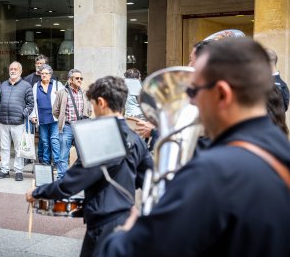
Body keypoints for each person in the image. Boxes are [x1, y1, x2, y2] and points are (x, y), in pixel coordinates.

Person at [99, 38, 290, 257]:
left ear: (221, 93)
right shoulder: (279, 150)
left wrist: (126, 232)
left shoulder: (214, 171)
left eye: (193, 91)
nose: (190, 102)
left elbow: (127, 252)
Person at [26, 76, 153, 257]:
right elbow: (148, 178)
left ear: (101, 102)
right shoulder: (136, 138)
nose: (92, 109)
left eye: (92, 104)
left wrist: (37, 193)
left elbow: (70, 184)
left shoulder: (99, 137)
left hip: (104, 225)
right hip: (128, 219)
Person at [0, 61, 34, 181]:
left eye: (15, 69)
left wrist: (24, 114)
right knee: (5, 148)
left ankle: (18, 171)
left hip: (18, 122)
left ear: (20, 71)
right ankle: (4, 170)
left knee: (18, 148)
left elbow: (31, 103)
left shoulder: (26, 85)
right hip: (4, 121)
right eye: (11, 69)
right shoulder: (3, 85)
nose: (13, 71)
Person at [52, 69, 92, 179]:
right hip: (67, 127)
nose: (80, 80)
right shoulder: (62, 93)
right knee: (63, 155)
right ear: (70, 80)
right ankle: (61, 178)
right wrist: (62, 119)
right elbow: (55, 110)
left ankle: (82, 177)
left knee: (82, 155)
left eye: (81, 78)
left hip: (81, 128)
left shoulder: (84, 93)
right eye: (77, 78)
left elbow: (89, 110)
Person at [30, 64, 64, 169]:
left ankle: (57, 161)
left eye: (46, 73)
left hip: (54, 117)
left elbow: (64, 98)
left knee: (54, 139)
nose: (44, 75)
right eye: (42, 73)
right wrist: (33, 115)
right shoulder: (36, 86)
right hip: (42, 117)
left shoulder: (57, 85)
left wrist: (59, 94)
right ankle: (46, 161)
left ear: (50, 74)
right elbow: (33, 102)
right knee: (44, 140)